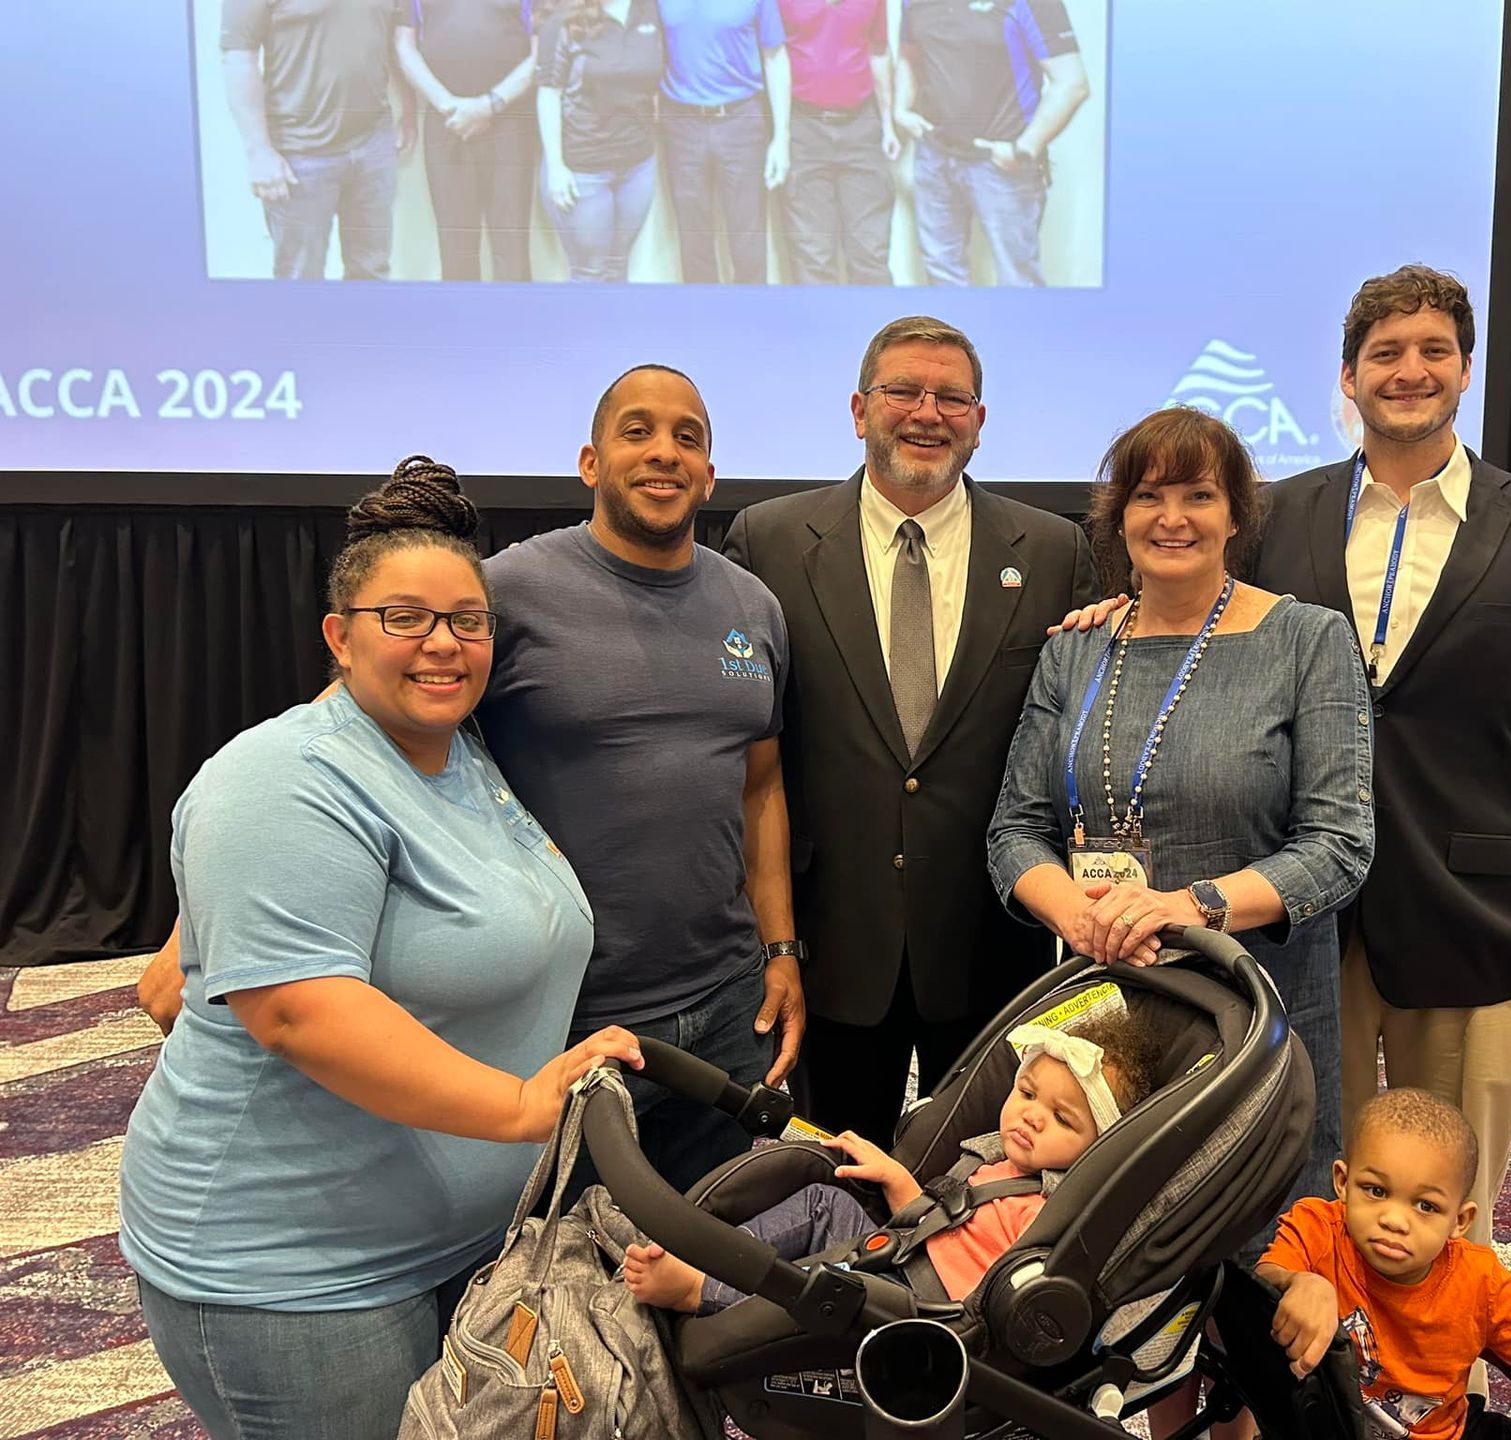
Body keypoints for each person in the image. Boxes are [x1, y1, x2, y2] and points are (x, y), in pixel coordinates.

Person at [1060, 266, 1511, 1286]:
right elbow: (1197, 612)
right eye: (1386, 354)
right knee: (1298, 1184)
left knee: (1440, 1207)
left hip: (1471, 915)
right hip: (1295, 919)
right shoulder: (1283, 515)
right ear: (1349, 377)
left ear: (1465, 368)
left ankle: (1430, 1396)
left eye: (1433, 351)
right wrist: (1118, 613)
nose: (1410, 371)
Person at [118, 458, 643, 1440]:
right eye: (404, 617)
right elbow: (296, 1007)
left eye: (467, 621)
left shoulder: (458, 753)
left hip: (458, 1247)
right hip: (296, 1277)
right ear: (339, 635)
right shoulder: (281, 773)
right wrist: (524, 1104)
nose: (442, 644)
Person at [721, 315, 1098, 1145]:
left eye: (952, 397)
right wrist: (773, 940)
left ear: (980, 420)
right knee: (826, 1187)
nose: (928, 413)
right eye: (904, 392)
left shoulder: (1053, 551)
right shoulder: (770, 542)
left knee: (983, 1182)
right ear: (860, 410)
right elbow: (752, 757)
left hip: (991, 946)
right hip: (831, 946)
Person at [989, 405, 1373, 1213]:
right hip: (1105, 1000)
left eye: (1198, 495)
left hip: (1259, 1003)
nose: (1172, 519)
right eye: (1148, 496)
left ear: (1236, 514)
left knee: (1258, 1246)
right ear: (1118, 516)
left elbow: (1340, 845)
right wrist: (1079, 915)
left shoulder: (1307, 640)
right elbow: (1015, 831)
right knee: (1105, 1235)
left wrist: (1185, 909)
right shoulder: (1074, 650)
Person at [479, 364, 805, 1190]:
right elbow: (363, 725)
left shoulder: (754, 607)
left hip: (732, 1004)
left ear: (709, 475)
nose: (664, 453)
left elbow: (761, 788)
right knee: (566, 1272)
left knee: (715, 1255)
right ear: (591, 462)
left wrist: (780, 949)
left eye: (686, 438)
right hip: (572, 1015)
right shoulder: (507, 591)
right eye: (637, 431)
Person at [623, 1011, 1161, 1312]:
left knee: (827, 1279)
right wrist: (901, 1182)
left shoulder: (1053, 1208)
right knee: (824, 1202)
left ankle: (703, 1291)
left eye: (1062, 1119)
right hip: (908, 1253)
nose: (1031, 1117)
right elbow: (946, 1223)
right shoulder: (991, 1158)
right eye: (1025, 1093)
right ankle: (711, 1255)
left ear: (1099, 1147)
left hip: (931, 1311)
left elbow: (999, 1289)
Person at [1225, 1088, 1511, 1439]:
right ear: (1343, 1181)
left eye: (1426, 1206)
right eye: (1376, 1191)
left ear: (1459, 1221)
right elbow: (1260, 1286)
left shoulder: (1480, 1282)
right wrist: (1299, 1282)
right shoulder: (1317, 1229)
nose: (1395, 1220)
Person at [894, 0, 1089, 286]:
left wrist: (1023, 149)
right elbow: (909, 55)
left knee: (1017, 278)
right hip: (934, 157)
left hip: (1001, 165)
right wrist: (901, 110)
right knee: (941, 272)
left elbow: (1072, 83)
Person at [220, 0, 404, 280]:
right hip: (299, 155)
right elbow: (238, 59)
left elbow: (394, 39)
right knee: (300, 278)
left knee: (372, 270)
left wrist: (409, 111)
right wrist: (259, 152)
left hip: (373, 142)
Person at [395, 0, 539, 282]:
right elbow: (403, 45)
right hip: (447, 121)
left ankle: (517, 325)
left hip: (511, 122)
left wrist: (490, 104)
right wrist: (448, 104)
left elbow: (541, 53)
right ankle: (462, 325)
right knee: (455, 250)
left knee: (512, 250)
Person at [657, 0, 790, 284]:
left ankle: (752, 319)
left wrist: (782, 137)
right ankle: (702, 321)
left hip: (741, 120)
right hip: (682, 124)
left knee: (748, 239)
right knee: (693, 240)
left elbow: (775, 56)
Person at [534, 0, 665, 282]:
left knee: (618, 263)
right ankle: (585, 327)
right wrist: (556, 167)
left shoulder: (651, 12)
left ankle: (616, 326)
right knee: (590, 270)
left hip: (637, 166)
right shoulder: (563, 21)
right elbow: (548, 94)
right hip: (581, 169)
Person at [777, 0, 898, 285]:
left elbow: (878, 52)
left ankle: (879, 326)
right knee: (813, 257)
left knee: (870, 252)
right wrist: (780, 135)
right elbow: (773, 55)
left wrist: (887, 123)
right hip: (803, 125)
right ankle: (818, 327)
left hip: (861, 125)